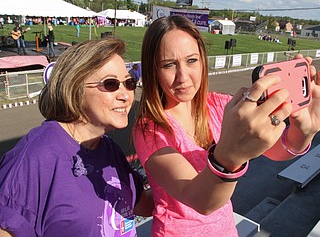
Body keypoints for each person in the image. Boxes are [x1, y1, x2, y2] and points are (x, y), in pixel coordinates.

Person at [132, 15, 320, 236]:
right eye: (169, 64)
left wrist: (304, 132)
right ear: (153, 70)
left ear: (203, 60)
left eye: (191, 60)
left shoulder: (219, 104)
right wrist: (229, 157)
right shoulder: (150, 130)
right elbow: (202, 201)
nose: (182, 77)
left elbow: (276, 150)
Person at [0, 37, 154, 236]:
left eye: (129, 82)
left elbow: (145, 206)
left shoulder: (108, 148)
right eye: (110, 84)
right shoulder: (35, 158)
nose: (126, 95)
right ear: (75, 89)